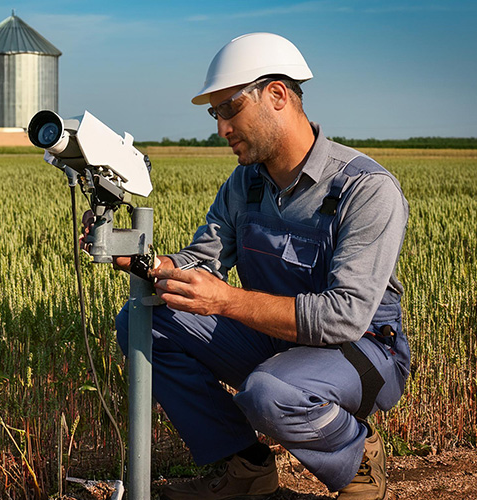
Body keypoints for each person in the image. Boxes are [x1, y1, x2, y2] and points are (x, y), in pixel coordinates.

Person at [114, 32, 411, 500]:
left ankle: (357, 459)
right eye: (216, 114)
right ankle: (247, 470)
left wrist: (227, 300)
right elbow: (203, 260)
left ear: (276, 95)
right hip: (276, 340)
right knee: (144, 320)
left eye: (230, 108)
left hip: (362, 351)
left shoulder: (365, 189)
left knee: (267, 392)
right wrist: (154, 264)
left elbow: (344, 317)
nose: (221, 129)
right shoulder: (245, 184)